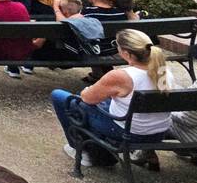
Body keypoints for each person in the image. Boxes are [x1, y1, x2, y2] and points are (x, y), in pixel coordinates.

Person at [53, 28, 173, 169]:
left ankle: (82, 150)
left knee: (60, 96)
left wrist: (88, 91)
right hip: (157, 133)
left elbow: (87, 99)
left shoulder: (121, 76)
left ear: (127, 53)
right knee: (107, 102)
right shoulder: (164, 71)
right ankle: (103, 150)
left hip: (129, 132)